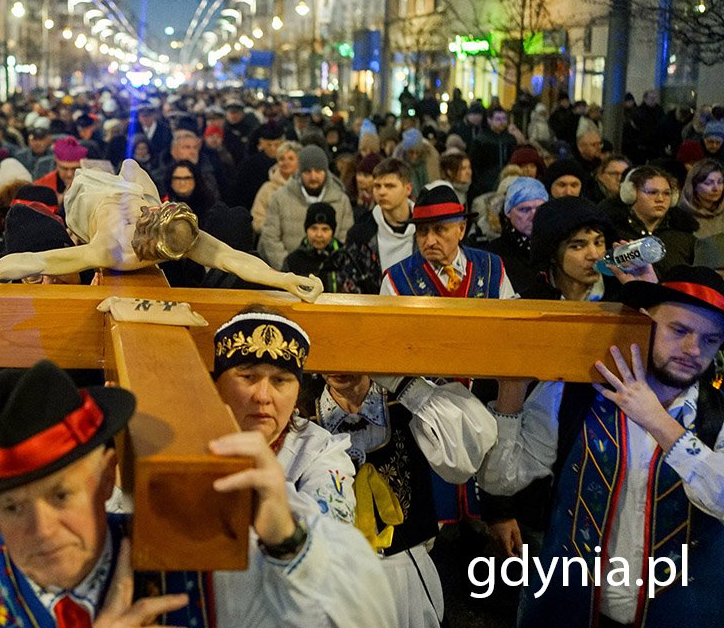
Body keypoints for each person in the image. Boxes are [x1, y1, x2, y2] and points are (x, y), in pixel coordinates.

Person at [0, 360, 397, 628]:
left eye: (61, 497)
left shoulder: (196, 573)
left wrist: (287, 539)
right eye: (12, 507)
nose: (40, 530)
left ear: (108, 479)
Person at [481, 265, 724, 627]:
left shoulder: (716, 414)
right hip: (568, 609)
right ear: (646, 323)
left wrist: (656, 420)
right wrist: (511, 389)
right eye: (679, 330)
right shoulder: (575, 393)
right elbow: (502, 481)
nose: (693, 349)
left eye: (710, 339)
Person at [0, 159, 325, 302]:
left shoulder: (177, 233)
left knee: (129, 164)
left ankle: (126, 182)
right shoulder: (110, 247)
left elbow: (232, 258)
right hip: (86, 199)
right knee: (127, 163)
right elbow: (34, 261)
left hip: (108, 195)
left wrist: (284, 278)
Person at [315, 369, 497, 628]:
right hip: (333, 577)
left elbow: (465, 458)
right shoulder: (301, 414)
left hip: (406, 575)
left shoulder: (406, 399)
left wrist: (403, 383)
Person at [212, 309, 355, 521]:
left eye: (280, 380)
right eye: (248, 377)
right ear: (217, 384)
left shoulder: (321, 451)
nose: (262, 396)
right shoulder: (183, 438)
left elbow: (335, 536)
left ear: (297, 391)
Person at [382, 184, 517, 298]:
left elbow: (511, 324)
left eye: (439, 229)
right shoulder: (397, 280)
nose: (430, 241)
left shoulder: (491, 268)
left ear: (461, 229)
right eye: (422, 231)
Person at [259, 144, 354, 271]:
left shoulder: (341, 200)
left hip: (331, 274)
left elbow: (345, 237)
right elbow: (270, 237)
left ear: (326, 172)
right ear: (300, 172)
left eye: (318, 171)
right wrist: (288, 268)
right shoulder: (280, 198)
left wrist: (333, 267)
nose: (313, 177)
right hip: (288, 276)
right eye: (307, 171)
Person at [602, 165, 698, 278]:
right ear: (631, 194)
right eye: (652, 192)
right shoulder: (611, 233)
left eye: (667, 193)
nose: (660, 199)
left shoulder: (684, 237)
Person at [343, 157, 416, 293]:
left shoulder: (427, 230)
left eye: (390, 186)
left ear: (408, 189)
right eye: (377, 186)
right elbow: (351, 285)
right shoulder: (360, 234)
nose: (382, 192)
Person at [284, 202, 346, 290]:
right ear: (306, 230)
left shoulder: (345, 258)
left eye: (325, 229)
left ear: (333, 232)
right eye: (314, 228)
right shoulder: (293, 260)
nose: (319, 234)